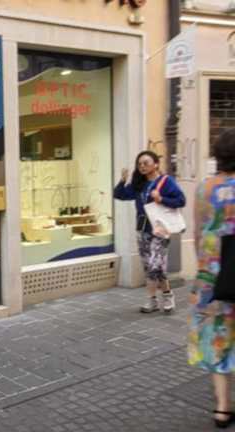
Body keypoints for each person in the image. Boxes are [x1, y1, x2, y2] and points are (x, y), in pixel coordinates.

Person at [189, 128, 235, 428]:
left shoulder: (204, 188)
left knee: (218, 338)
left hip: (212, 278)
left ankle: (222, 407)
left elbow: (197, 233)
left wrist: (205, 267)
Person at [114, 150, 186, 313]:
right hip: (142, 229)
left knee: (154, 265)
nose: (142, 166)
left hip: (160, 230)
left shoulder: (166, 181)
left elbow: (181, 200)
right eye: (139, 164)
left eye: (146, 163)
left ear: (156, 164)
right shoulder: (138, 184)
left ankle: (154, 299)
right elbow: (120, 195)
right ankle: (163, 297)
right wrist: (123, 180)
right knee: (150, 267)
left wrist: (161, 199)